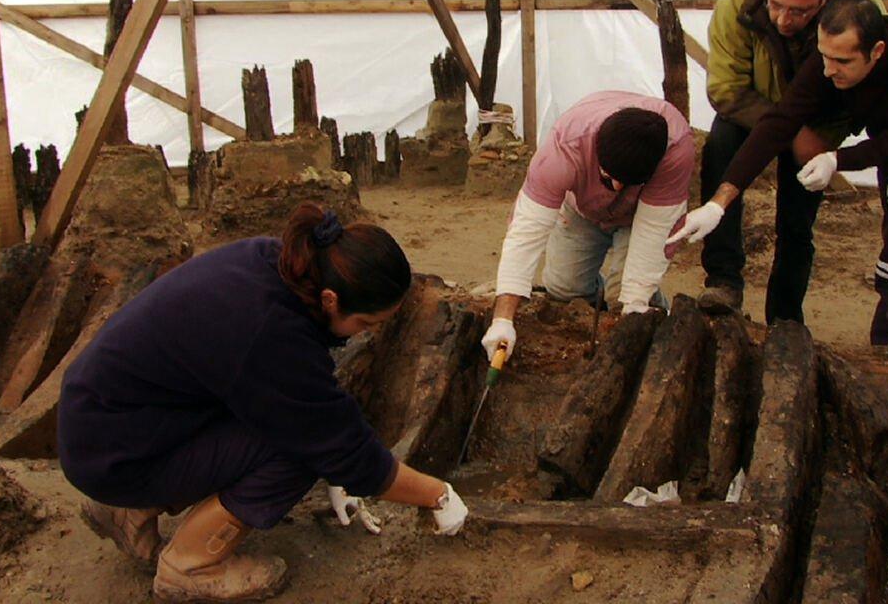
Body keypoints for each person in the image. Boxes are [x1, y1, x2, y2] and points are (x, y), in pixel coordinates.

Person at [58, 203, 468, 602]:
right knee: (298, 453)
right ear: (330, 299)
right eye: (365, 323)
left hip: (102, 420)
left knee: (295, 431)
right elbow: (339, 446)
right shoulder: (269, 331)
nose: (362, 335)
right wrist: (438, 494)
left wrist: (338, 465)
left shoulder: (273, 262)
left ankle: (127, 512)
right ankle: (191, 567)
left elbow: (290, 400)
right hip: (113, 449)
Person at [672, 0, 888, 362]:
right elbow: (778, 124)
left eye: (842, 60)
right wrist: (720, 201)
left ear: (877, 51)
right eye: (824, 56)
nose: (828, 70)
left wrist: (837, 158)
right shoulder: (826, 65)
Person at [698, 0, 884, 321]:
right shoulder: (738, 3)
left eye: (798, 12)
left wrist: (820, 137)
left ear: (826, 0)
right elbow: (726, 89)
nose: (783, 20)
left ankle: (784, 316)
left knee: (798, 215)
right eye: (776, 5)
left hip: (819, 119)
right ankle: (723, 281)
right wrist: (788, 130)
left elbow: (864, 85)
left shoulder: (862, 11)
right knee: (720, 151)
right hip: (751, 108)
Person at [480, 91, 695, 361]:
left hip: (639, 218)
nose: (616, 188)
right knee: (564, 288)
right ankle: (598, 306)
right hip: (582, 208)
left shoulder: (675, 152)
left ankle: (655, 313)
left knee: (626, 297)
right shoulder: (565, 146)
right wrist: (502, 319)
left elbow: (654, 232)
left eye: (626, 183)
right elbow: (527, 232)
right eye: (608, 179)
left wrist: (635, 305)